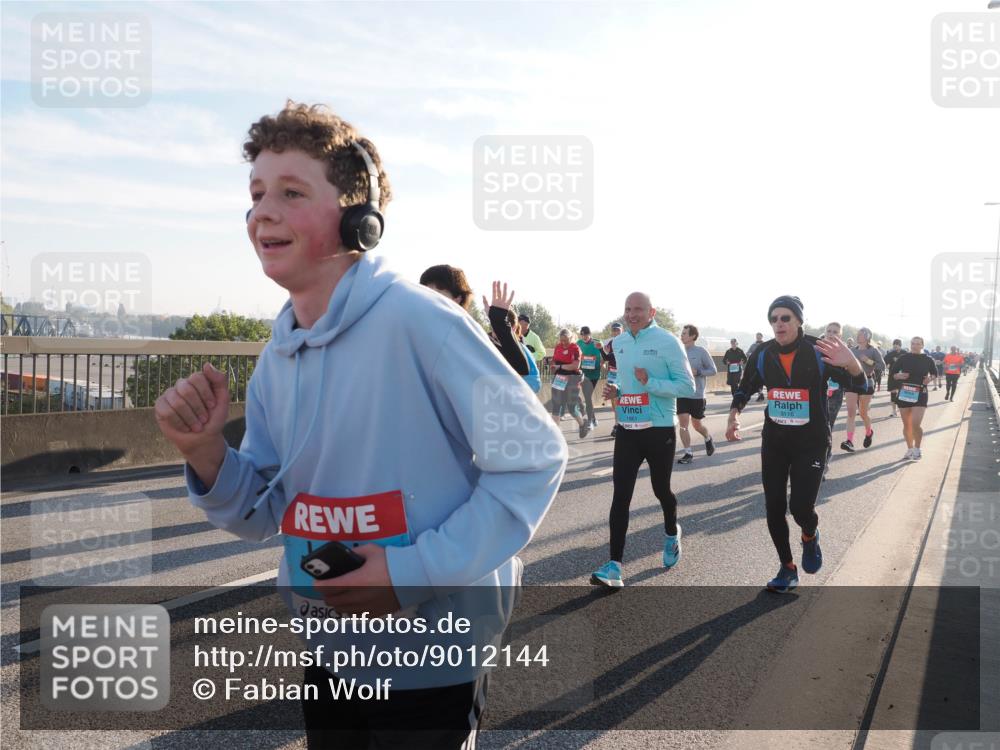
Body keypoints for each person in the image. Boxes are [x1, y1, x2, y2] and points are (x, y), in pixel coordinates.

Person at [156, 101, 567, 749]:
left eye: (292, 192)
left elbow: (534, 459)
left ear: (359, 220)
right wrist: (206, 452)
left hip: (434, 655)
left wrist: (410, 574)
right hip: (329, 647)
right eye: (257, 194)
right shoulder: (279, 355)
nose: (263, 212)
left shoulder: (421, 321)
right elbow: (262, 512)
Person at [726, 296, 866, 593]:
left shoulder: (818, 350)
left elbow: (861, 385)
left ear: (799, 321)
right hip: (775, 441)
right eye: (774, 319)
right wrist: (734, 415)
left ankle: (809, 535)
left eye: (785, 318)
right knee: (774, 507)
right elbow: (745, 387)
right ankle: (787, 568)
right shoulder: (763, 353)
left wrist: (852, 364)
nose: (779, 323)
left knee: (801, 508)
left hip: (811, 442)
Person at [590, 293, 696, 587]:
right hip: (628, 427)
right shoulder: (620, 343)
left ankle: (672, 533)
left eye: (638, 309)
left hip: (659, 429)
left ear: (652, 312)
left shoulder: (668, 341)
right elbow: (625, 382)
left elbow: (686, 385)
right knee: (620, 495)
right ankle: (614, 567)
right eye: (628, 309)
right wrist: (616, 390)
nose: (632, 314)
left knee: (661, 489)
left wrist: (651, 383)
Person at [421, 270, 530, 379]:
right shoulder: (418, 332)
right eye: (425, 294)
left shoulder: (470, 337)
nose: (429, 300)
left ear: (457, 299)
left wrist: (499, 322)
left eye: (437, 294)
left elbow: (520, 368)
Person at [889, 336, 937, 460]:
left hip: (920, 392)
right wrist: (899, 376)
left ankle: (917, 449)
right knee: (907, 425)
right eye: (913, 343)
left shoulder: (928, 359)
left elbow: (934, 373)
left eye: (918, 344)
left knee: (915, 424)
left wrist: (930, 379)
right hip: (905, 392)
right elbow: (893, 373)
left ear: (922, 345)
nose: (915, 346)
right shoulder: (904, 358)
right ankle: (910, 449)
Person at [676, 324, 718, 464]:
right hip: (682, 393)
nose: (682, 335)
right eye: (682, 333)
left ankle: (707, 437)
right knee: (683, 424)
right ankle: (688, 453)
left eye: (685, 333)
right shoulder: (678, 352)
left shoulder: (701, 351)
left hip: (697, 395)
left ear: (693, 336)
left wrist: (699, 372)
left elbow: (713, 370)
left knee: (697, 424)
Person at [841, 327, 884, 453]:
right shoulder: (851, 350)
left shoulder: (873, 350)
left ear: (867, 337)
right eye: (858, 334)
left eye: (861, 334)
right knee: (851, 412)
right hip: (851, 382)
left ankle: (869, 432)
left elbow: (882, 366)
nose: (858, 336)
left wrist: (868, 361)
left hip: (866, 382)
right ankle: (849, 441)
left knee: (863, 413)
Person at [550, 328, 591, 438]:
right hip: (559, 378)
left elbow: (575, 366)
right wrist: (552, 365)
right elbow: (554, 360)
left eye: (566, 340)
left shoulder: (575, 348)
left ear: (571, 338)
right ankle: (555, 435)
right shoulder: (558, 347)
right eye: (561, 340)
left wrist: (560, 366)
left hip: (572, 379)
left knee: (572, 407)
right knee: (556, 405)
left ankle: (582, 424)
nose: (563, 343)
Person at [822, 322, 845, 478]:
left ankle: (824, 463)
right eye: (829, 331)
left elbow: (851, 375)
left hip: (835, 394)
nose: (831, 334)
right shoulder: (816, 349)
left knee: (827, 427)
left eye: (835, 332)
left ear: (840, 335)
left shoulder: (844, 352)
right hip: (816, 393)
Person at [577, 326, 604, 428]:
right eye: (582, 335)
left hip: (594, 375)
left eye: (586, 335)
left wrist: (600, 364)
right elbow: (576, 355)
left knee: (588, 397)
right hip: (584, 374)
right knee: (588, 397)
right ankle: (592, 420)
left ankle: (591, 420)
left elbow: (604, 355)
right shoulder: (579, 343)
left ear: (590, 334)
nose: (584, 337)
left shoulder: (597, 342)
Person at [603, 322, 624, 437]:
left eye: (618, 330)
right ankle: (617, 424)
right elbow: (606, 357)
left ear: (622, 330)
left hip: (623, 373)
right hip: (612, 373)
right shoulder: (610, 343)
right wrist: (603, 362)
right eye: (614, 330)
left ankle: (623, 423)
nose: (616, 332)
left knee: (623, 398)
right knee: (614, 399)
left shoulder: (627, 341)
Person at [883, 339, 905, 418]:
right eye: (894, 345)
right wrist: (886, 366)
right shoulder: (890, 354)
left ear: (900, 345)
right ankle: (894, 411)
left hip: (902, 376)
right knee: (893, 393)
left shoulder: (905, 353)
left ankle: (901, 409)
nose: (895, 346)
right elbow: (884, 362)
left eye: (897, 345)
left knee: (901, 393)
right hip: (892, 375)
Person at [745, 332, 766, 402]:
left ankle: (762, 393)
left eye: (759, 336)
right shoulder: (753, 345)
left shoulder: (765, 345)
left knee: (762, 380)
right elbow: (747, 353)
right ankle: (760, 393)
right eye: (757, 336)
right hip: (755, 365)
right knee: (757, 380)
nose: (758, 337)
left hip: (763, 365)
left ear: (762, 337)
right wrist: (751, 354)